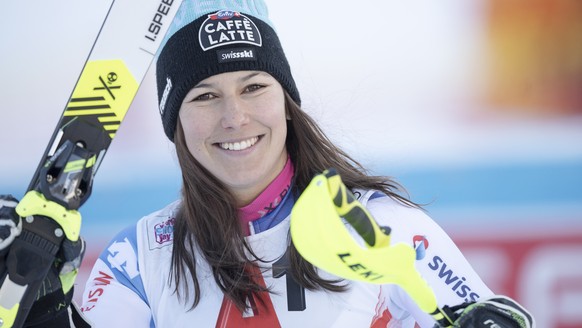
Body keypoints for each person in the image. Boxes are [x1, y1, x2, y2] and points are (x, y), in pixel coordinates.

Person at [0, 0, 534, 327]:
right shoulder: (140, 258)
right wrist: (40, 309)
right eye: (204, 96)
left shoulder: (379, 229)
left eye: (254, 87)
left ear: (285, 103)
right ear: (175, 122)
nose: (234, 116)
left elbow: (482, 317)